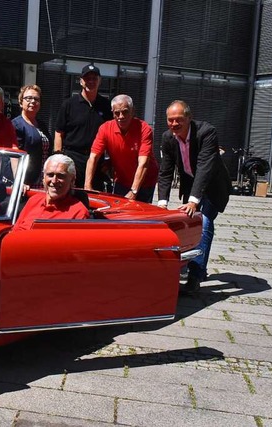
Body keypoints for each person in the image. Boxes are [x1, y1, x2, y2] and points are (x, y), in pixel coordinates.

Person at [157, 100, 231, 294]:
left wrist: (193, 201)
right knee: (188, 224)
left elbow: (204, 168)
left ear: (189, 118)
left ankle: (195, 276)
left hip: (213, 186)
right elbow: (165, 171)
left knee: (203, 222)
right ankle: (190, 265)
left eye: (178, 120)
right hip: (191, 186)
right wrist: (162, 203)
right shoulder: (168, 137)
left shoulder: (206, 132)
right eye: (170, 120)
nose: (174, 124)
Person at [84, 94, 159, 203]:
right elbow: (93, 158)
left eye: (125, 112)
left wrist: (134, 191)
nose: (121, 116)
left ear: (133, 111)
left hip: (145, 181)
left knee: (140, 215)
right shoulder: (105, 129)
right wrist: (87, 186)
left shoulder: (144, 129)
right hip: (122, 179)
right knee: (120, 214)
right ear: (112, 112)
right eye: (117, 113)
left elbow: (143, 163)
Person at [54, 63, 113, 190]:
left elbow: (113, 135)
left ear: (100, 81)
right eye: (87, 78)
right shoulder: (69, 104)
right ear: (81, 81)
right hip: (72, 158)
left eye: (94, 78)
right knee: (70, 195)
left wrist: (110, 161)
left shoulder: (107, 106)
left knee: (94, 198)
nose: (91, 81)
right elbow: (59, 133)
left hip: (97, 161)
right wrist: (58, 158)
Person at [13, 154, 90, 231]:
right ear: (43, 178)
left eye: (60, 176)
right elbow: (13, 232)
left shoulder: (79, 213)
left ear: (72, 181)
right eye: (50, 175)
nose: (54, 181)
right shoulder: (34, 200)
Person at [12, 84, 51, 187]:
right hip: (25, 183)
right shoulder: (16, 125)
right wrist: (19, 181)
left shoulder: (42, 125)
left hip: (41, 181)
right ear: (21, 102)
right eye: (28, 98)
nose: (33, 101)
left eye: (36, 99)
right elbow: (15, 155)